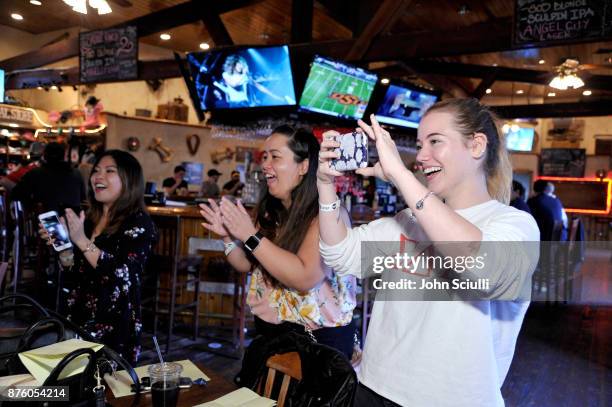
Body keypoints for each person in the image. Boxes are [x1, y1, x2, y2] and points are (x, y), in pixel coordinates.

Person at [317, 99, 539, 406]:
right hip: (374, 387)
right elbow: (341, 254)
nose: (421, 156)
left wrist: (401, 176)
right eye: (420, 145)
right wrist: (326, 185)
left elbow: (484, 270)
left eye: (435, 141)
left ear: (476, 146)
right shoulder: (410, 220)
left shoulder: (515, 224)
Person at [199, 125, 356, 358]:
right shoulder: (272, 212)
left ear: (303, 166)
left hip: (318, 345)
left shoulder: (327, 214)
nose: (265, 164)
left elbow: (305, 277)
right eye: (265, 156)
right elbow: (248, 265)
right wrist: (227, 237)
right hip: (274, 336)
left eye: (275, 156)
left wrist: (251, 237)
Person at [39, 150, 156, 364]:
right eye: (96, 171)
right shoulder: (90, 219)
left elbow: (122, 274)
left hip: (113, 325)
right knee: (65, 390)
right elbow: (74, 273)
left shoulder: (139, 223)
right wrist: (64, 247)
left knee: (102, 391)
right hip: (75, 318)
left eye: (109, 171)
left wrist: (81, 241)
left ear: (129, 180)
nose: (98, 177)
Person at [12, 142, 85, 212]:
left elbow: (16, 194)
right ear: (63, 156)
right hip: (73, 219)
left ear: (44, 156)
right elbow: (82, 197)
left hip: (47, 220)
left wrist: (33, 202)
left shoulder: (35, 173)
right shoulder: (76, 173)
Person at [209, 54, 285, 109]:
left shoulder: (245, 76)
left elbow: (259, 87)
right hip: (235, 104)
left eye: (241, 64)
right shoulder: (225, 74)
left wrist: (275, 96)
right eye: (238, 64)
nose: (240, 66)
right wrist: (244, 74)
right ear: (233, 64)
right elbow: (233, 85)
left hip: (245, 103)